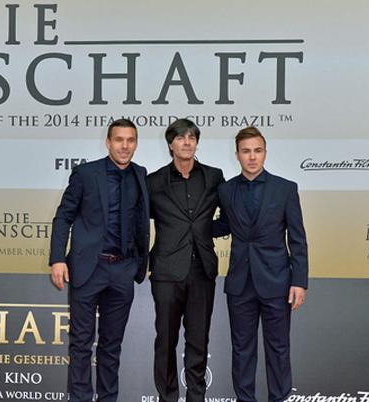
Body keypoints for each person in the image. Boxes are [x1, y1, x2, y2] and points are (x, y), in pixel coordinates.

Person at [49, 118, 150, 402]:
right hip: (87, 269)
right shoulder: (86, 173)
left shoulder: (140, 174)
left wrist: (138, 262)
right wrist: (57, 259)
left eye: (130, 140)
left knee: (111, 346)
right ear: (108, 142)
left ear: (136, 143)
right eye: (119, 140)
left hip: (123, 270)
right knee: (81, 344)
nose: (125, 146)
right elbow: (64, 216)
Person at [217, 126, 308, 402]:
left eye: (257, 150)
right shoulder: (225, 190)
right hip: (240, 283)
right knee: (242, 350)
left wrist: (299, 281)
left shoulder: (285, 189)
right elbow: (223, 225)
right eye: (246, 151)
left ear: (265, 153)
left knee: (278, 349)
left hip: (277, 282)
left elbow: (298, 239)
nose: (252, 157)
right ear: (237, 155)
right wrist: (188, 226)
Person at [147, 118, 225, 402]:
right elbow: (139, 223)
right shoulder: (153, 181)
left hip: (202, 270)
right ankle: (167, 397)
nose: (187, 142)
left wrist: (203, 231)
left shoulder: (214, 177)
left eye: (192, 137)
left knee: (198, 341)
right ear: (171, 144)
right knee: (165, 341)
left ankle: (196, 398)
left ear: (197, 143)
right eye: (180, 138)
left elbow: (229, 218)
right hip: (167, 272)